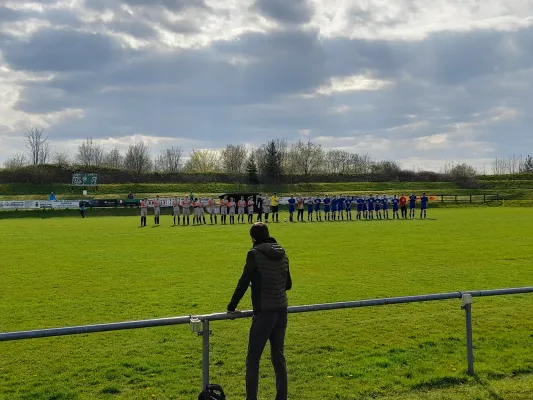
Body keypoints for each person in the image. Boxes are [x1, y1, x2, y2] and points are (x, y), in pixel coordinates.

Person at [227, 222, 292, 400]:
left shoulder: (254, 254)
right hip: (282, 309)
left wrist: (231, 307)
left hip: (264, 311)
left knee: (253, 358)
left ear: (253, 238)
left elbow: (243, 283)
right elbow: (288, 284)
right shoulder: (282, 252)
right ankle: (282, 397)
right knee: (278, 356)